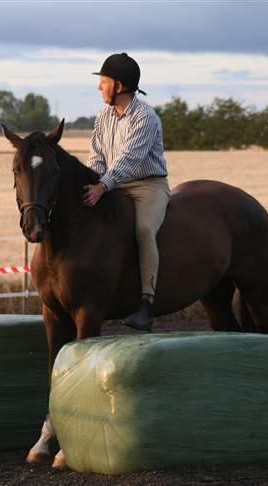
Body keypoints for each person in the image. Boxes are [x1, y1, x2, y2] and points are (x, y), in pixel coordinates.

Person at [82, 52, 169, 332]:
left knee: (144, 230)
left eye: (103, 81)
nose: (99, 87)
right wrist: (93, 181)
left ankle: (147, 303)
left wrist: (103, 186)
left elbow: (129, 160)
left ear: (119, 86)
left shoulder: (146, 117)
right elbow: (96, 155)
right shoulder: (102, 117)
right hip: (110, 182)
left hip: (147, 185)